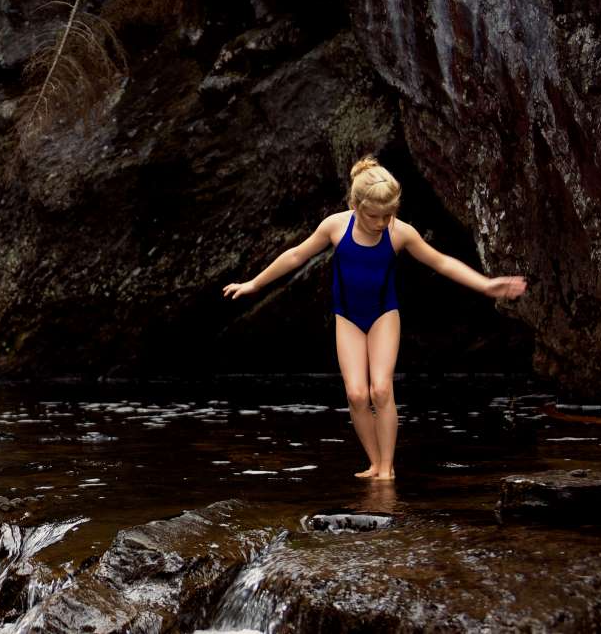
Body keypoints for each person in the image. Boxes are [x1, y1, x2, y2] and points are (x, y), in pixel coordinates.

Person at [222, 156, 527, 480]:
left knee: (381, 389)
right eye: (373, 216)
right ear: (355, 204)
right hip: (348, 318)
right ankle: (374, 463)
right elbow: (296, 254)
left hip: (383, 315)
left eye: (388, 215)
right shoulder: (336, 227)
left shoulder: (400, 233)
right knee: (356, 393)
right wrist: (254, 283)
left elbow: (442, 263)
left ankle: (387, 468)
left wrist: (486, 284)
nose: (382, 223)